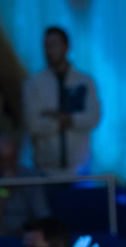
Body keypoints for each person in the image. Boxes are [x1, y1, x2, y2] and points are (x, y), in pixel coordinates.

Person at [22, 25, 102, 175]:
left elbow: (93, 118)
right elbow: (32, 125)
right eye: (46, 46)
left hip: (80, 169)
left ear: (66, 47)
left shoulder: (84, 81)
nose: (49, 51)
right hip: (45, 169)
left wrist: (65, 118)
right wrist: (65, 122)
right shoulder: (33, 84)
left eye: (54, 45)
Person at [0, 133, 50, 236]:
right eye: (1, 159)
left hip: (26, 236)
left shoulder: (30, 177)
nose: (6, 165)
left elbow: (43, 219)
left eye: (10, 159)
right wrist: (3, 190)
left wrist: (25, 233)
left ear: (17, 157)